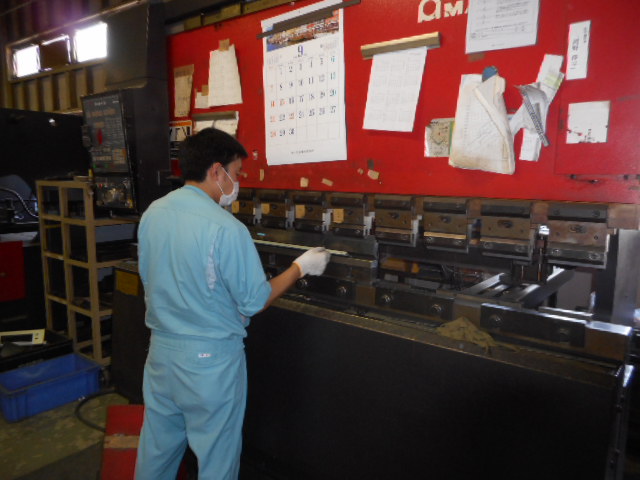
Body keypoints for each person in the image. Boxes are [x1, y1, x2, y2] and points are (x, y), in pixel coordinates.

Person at [134, 128, 330, 479]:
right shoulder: (226, 228)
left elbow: (155, 277)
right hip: (209, 364)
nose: (237, 182)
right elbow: (255, 300)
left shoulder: (154, 213)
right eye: (236, 173)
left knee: (157, 448)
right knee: (217, 456)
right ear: (216, 171)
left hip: (161, 354)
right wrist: (300, 268)